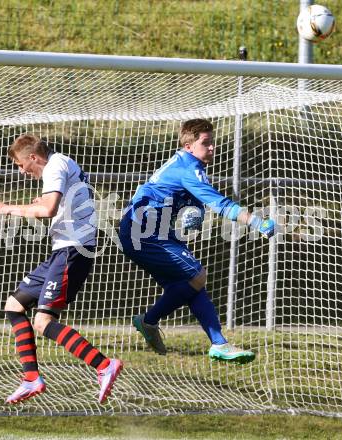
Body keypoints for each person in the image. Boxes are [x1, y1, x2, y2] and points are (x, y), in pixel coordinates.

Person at [118, 119, 275, 363]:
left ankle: (219, 344)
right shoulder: (188, 170)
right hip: (143, 231)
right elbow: (220, 204)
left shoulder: (185, 162)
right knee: (196, 277)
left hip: (151, 230)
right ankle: (149, 320)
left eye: (212, 142)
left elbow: (179, 194)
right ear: (189, 146)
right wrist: (257, 222)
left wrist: (195, 210)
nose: (212, 147)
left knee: (190, 284)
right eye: (206, 143)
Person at [0, 134, 123, 404]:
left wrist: (8, 208)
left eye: (20, 165)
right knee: (14, 306)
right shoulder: (60, 165)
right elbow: (57, 203)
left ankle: (104, 365)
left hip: (72, 251)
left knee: (43, 321)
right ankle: (31, 379)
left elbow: (49, 209)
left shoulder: (54, 166)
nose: (21, 171)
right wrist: (40, 204)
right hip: (62, 251)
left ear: (33, 158)